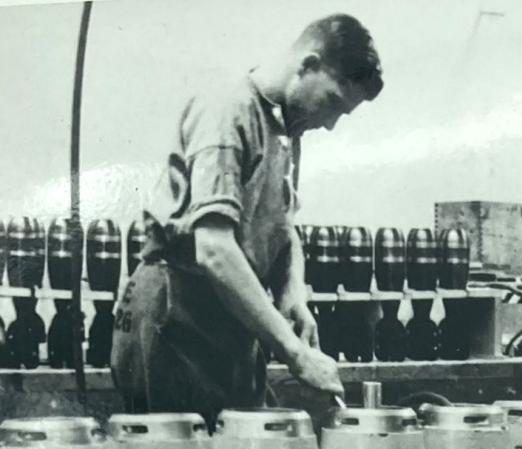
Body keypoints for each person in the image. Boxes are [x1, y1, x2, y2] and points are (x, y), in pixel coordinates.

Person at [112, 14, 383, 424]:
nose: (329, 124)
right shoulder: (227, 110)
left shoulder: (286, 128)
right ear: (307, 65)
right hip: (177, 315)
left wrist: (294, 293)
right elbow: (214, 249)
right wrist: (294, 355)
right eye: (331, 103)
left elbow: (284, 225)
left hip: (230, 318)